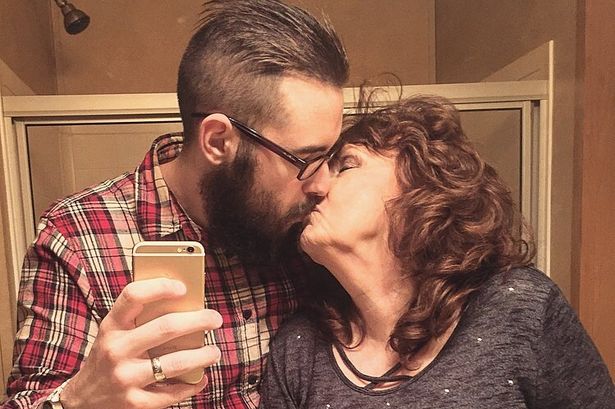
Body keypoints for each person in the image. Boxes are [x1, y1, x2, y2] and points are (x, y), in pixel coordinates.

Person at [2, 1, 348, 408]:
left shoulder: (304, 232)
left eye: (331, 157)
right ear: (217, 141)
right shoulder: (76, 237)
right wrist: (78, 400)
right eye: (306, 159)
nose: (322, 183)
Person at [259, 95, 615, 408]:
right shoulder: (299, 349)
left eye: (346, 165)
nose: (315, 186)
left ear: (421, 185)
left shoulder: (519, 309)